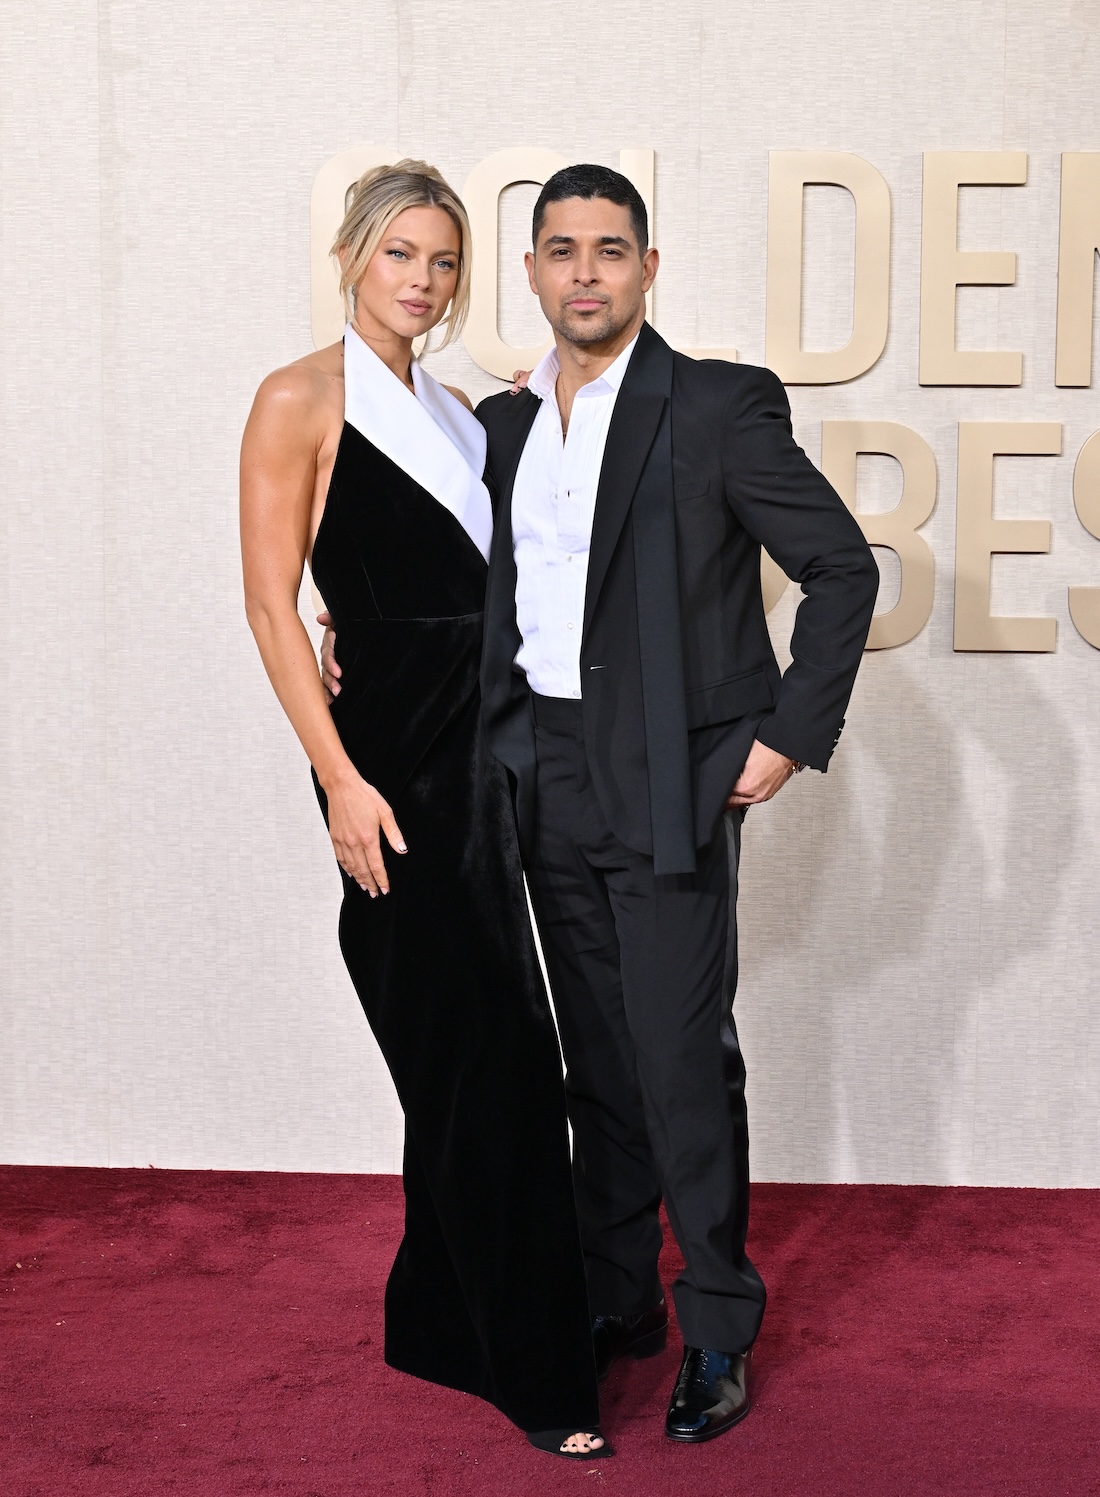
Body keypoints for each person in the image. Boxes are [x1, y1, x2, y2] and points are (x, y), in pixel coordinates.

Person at [323, 164, 879, 1444]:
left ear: (646, 269)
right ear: (528, 272)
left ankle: (719, 1327)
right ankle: (620, 1295)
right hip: (536, 775)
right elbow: (446, 568)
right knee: (598, 1068)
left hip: (675, 776)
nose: (584, 271)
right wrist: (339, 618)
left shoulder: (720, 405)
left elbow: (840, 568)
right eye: (560, 249)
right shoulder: (506, 424)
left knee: (683, 1063)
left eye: (609, 249)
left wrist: (784, 737)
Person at [239, 160, 606, 1460]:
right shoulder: (299, 397)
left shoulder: (457, 412)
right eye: (403, 254)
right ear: (352, 254)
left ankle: (437, 1318)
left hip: (488, 757)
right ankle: (541, 1372)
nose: (425, 281)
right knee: (492, 1062)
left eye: (445, 261)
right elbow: (276, 603)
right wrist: (339, 776)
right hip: (390, 763)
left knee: (469, 1057)